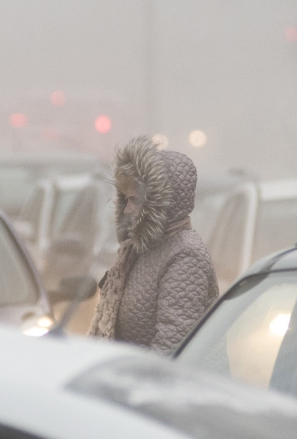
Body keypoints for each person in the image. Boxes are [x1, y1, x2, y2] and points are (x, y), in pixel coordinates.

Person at [89, 136, 218, 354]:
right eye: (125, 199)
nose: (127, 210)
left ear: (159, 204)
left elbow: (171, 349)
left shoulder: (185, 257)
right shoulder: (139, 251)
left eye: (134, 200)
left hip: (166, 385)